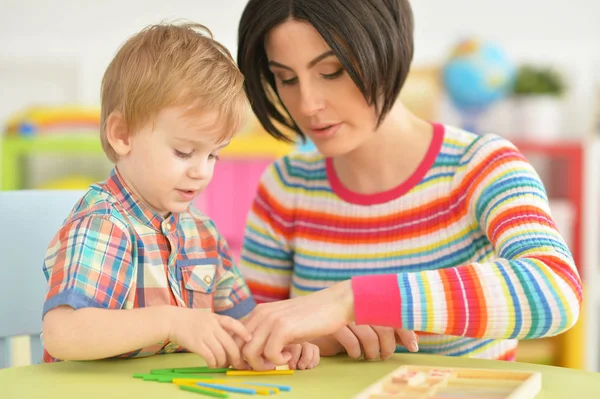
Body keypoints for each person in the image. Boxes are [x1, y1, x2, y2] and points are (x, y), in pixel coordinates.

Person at [235, 0, 583, 370]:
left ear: (388, 49)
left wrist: (349, 300)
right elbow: (253, 337)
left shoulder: (480, 166)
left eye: (332, 71)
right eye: (286, 78)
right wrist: (319, 336)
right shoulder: (285, 186)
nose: (306, 104)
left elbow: (556, 289)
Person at [40, 21, 319, 371]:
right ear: (122, 134)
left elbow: (242, 327)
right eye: (184, 152)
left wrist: (274, 345)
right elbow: (62, 333)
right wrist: (171, 322)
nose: (201, 171)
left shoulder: (201, 233)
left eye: (213, 154)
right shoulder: (103, 224)